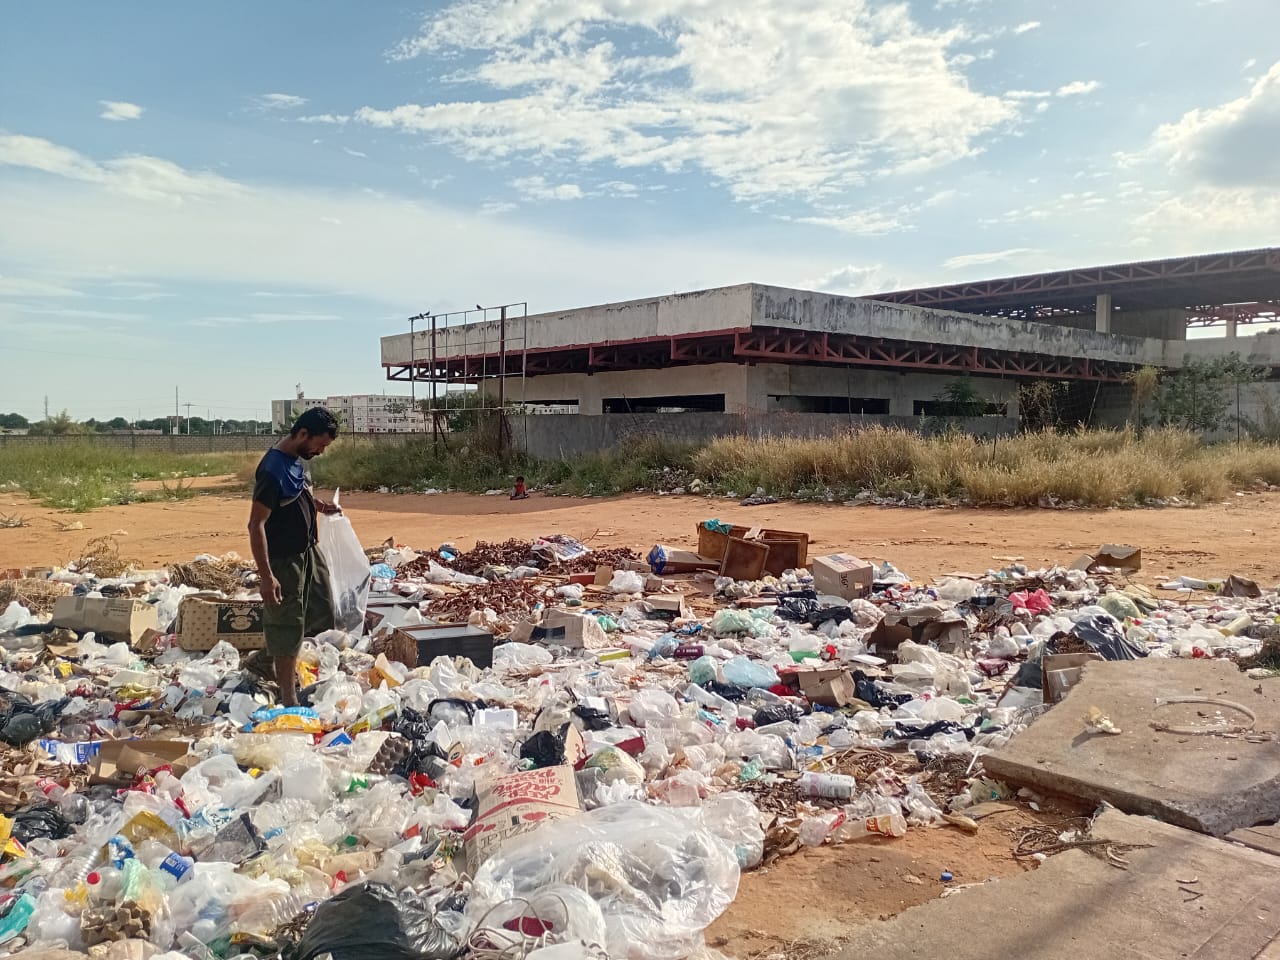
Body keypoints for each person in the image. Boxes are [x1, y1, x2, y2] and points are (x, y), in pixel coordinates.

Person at [247, 407, 341, 707]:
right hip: (284, 559)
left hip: (308, 550)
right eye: (320, 444)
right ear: (302, 434)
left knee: (321, 609)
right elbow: (256, 524)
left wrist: (320, 506)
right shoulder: (272, 470)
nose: (321, 451)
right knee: (287, 622)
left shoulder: (296, 461)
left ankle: (265, 658)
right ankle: (288, 695)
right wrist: (266, 576)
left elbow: (298, 491)